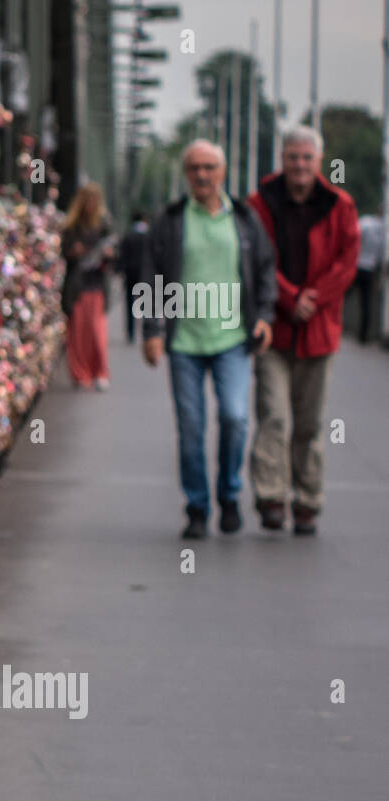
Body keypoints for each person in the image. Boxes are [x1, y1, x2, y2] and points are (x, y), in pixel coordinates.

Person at [140, 140, 275, 539]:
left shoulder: (246, 219)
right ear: (186, 174)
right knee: (192, 427)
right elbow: (153, 276)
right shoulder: (170, 220)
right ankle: (197, 507)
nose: (202, 175)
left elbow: (266, 270)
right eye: (195, 167)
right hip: (184, 343)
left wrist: (265, 317)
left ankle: (229, 495)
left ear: (223, 171)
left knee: (235, 418)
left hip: (233, 339)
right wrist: (152, 330)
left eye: (209, 167)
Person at [246, 126, 360, 535]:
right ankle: (271, 495)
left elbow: (348, 261)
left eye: (306, 158)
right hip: (273, 329)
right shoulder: (259, 205)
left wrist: (314, 298)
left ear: (319, 162)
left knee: (310, 422)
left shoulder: (339, 205)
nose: (299, 165)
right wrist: (289, 297)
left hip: (319, 329)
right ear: (282, 159)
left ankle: (308, 498)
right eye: (292, 157)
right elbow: (254, 258)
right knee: (273, 416)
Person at [60, 182, 115, 390]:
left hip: (97, 285)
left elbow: (112, 255)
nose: (91, 204)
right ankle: (81, 373)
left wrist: (108, 256)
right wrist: (74, 251)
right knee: (77, 333)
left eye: (94, 200)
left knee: (97, 332)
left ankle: (99, 371)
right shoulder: (72, 227)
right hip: (77, 287)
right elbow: (65, 253)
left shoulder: (103, 225)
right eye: (88, 200)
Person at [118, 211, 151, 343]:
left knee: (130, 304)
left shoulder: (128, 236)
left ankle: (131, 332)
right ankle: (146, 331)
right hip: (145, 275)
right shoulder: (148, 236)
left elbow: (122, 256)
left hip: (130, 273)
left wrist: (119, 269)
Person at [353, 205, 384, 344]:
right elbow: (381, 256)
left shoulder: (366, 222)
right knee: (366, 303)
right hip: (370, 269)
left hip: (356, 265)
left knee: (339, 295)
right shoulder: (385, 232)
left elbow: (353, 237)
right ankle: (363, 336)